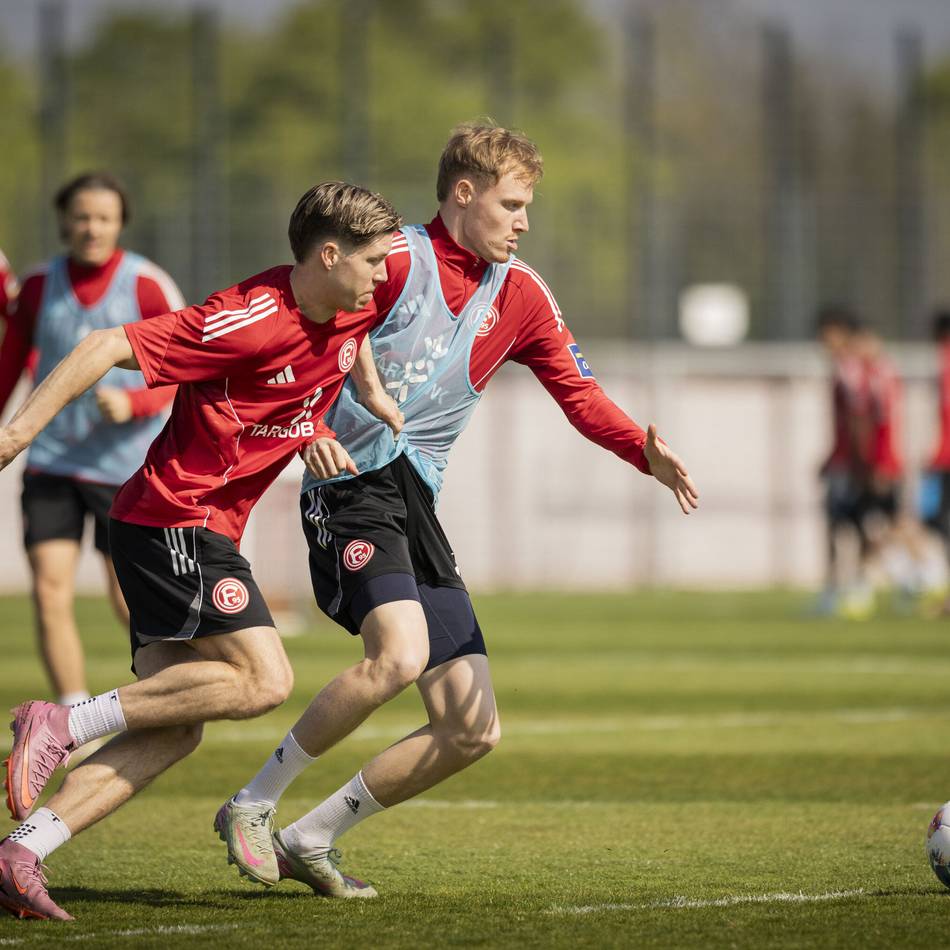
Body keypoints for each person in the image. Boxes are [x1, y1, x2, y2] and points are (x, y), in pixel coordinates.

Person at [217, 123, 698, 899]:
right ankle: (254, 802)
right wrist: (306, 424)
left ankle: (314, 836)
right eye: (512, 203)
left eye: (528, 205)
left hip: (416, 503)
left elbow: (578, 395)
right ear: (463, 194)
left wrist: (644, 453)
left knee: (473, 730)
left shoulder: (522, 294)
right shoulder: (394, 259)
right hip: (349, 485)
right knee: (399, 656)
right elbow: (305, 320)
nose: (524, 221)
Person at [0, 181, 403, 921]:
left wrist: (358, 400)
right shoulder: (247, 318)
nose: (385, 275)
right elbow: (100, 345)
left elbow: (353, 342)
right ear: (329, 254)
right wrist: (18, 435)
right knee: (263, 681)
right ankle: (60, 722)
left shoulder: (356, 301)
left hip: (185, 526)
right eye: (374, 261)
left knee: (174, 727)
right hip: (174, 519)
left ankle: (21, 850)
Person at [0, 173, 184, 706]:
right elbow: (10, 365)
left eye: (103, 218)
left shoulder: (148, 285)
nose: (91, 228)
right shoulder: (36, 287)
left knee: (128, 599)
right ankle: (71, 716)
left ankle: (163, 698)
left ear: (120, 223)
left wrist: (135, 402)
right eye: (81, 217)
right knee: (48, 592)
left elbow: (183, 365)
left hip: (125, 469)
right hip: (53, 463)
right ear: (63, 221)